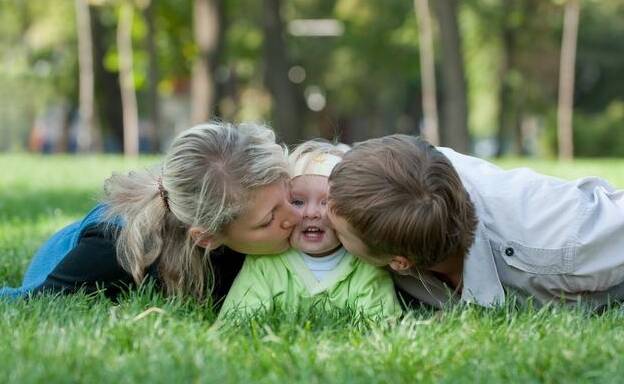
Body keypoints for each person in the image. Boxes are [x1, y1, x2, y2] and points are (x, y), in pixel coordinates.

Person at [0, 122, 300, 307]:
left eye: (290, 195)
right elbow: (23, 301)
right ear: (207, 238)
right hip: (61, 260)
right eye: (268, 219)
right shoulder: (112, 250)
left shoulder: (255, 204)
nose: (295, 216)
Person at [327, 134, 624, 309]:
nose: (316, 215)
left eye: (339, 233)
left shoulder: (555, 236)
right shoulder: (381, 180)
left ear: (400, 262)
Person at [219, 140, 401, 318]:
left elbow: (382, 330)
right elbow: (236, 322)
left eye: (326, 202)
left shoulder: (364, 266)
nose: (311, 213)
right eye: (298, 202)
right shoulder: (264, 264)